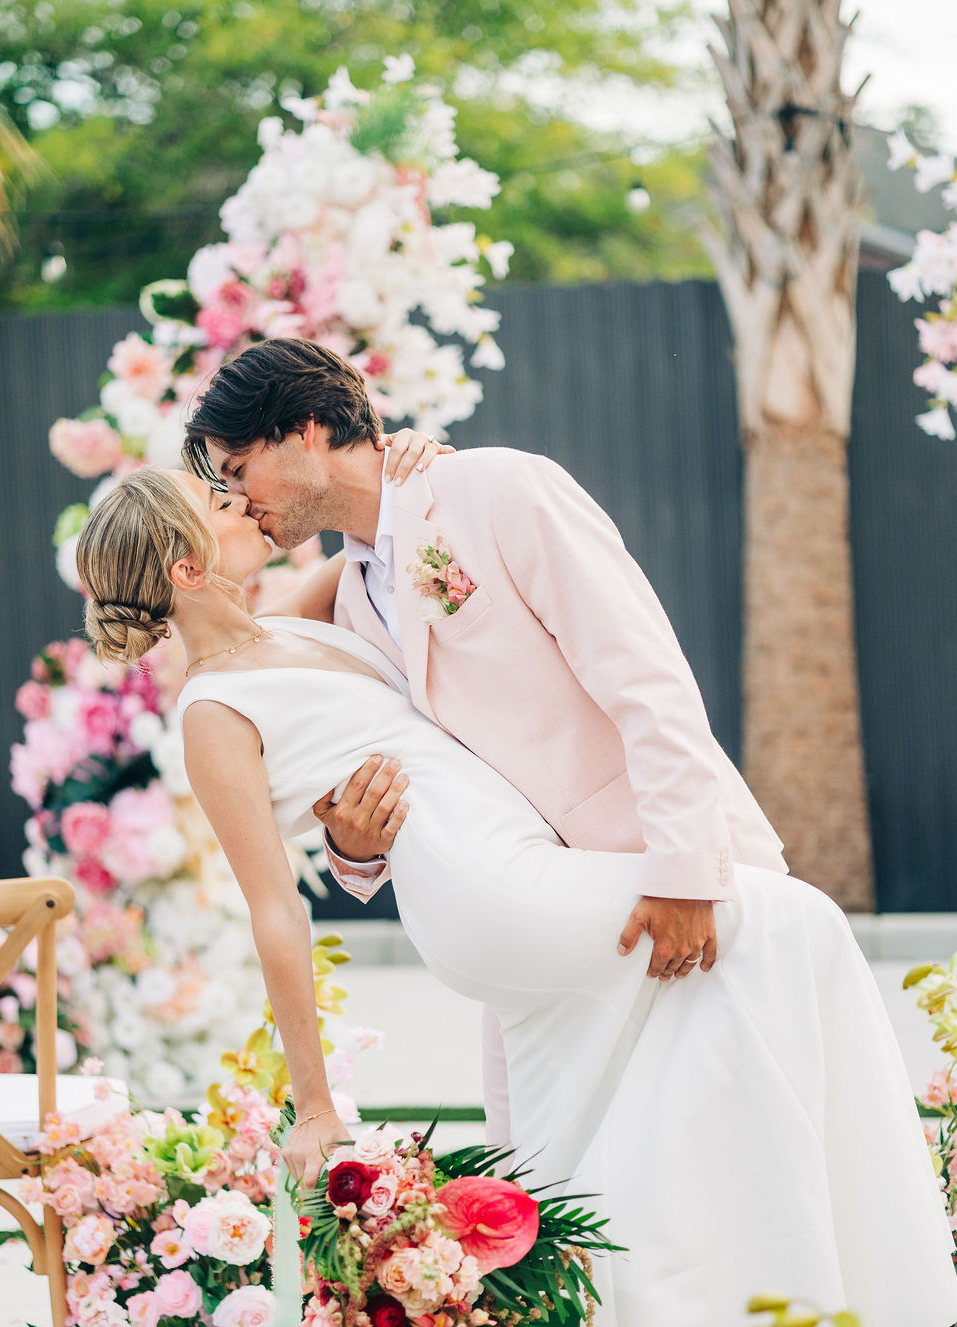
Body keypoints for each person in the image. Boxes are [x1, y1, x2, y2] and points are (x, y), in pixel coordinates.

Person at [75, 464, 957, 1327]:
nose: (245, 508)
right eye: (219, 507)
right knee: (789, 923)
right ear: (185, 565)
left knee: (667, 1082)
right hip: (488, 891)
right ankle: (870, 1261)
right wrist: (314, 1105)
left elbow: (375, 544)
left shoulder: (286, 616)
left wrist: (407, 463)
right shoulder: (210, 712)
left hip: (515, 854)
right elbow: (275, 913)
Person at [179, 338, 790, 1154]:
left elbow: (648, 679)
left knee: (740, 1153)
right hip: (543, 934)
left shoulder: (495, 488)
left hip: (667, 892)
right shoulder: (350, 606)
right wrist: (353, 849)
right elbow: (259, 674)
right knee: (571, 1198)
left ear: (308, 429)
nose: (236, 496)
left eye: (238, 466)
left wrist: (684, 869)